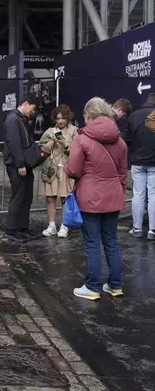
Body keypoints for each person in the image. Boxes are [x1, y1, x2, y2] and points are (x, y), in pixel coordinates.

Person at [65, 97, 127, 300]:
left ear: (89, 115)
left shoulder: (81, 140)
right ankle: (115, 285)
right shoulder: (120, 142)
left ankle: (92, 287)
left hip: (90, 198)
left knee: (92, 243)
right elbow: (122, 173)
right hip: (113, 197)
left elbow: (74, 170)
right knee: (111, 241)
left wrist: (66, 168)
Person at [39, 104, 77, 238]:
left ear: (68, 118)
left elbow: (78, 150)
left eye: (63, 118)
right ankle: (51, 225)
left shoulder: (73, 131)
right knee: (50, 198)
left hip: (66, 169)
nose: (60, 121)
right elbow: (43, 149)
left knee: (65, 199)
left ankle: (64, 226)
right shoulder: (50, 131)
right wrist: (51, 143)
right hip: (52, 169)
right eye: (58, 118)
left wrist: (65, 143)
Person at [3, 95, 39, 240]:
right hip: (17, 165)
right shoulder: (13, 120)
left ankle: (22, 227)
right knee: (19, 196)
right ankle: (12, 229)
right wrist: (20, 164)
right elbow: (14, 143)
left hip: (23, 163)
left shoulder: (19, 119)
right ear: (26, 104)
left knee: (26, 195)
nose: (33, 112)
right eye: (33, 108)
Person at [125, 93, 155, 239]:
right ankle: (152, 230)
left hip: (137, 162)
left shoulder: (134, 116)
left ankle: (137, 228)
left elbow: (126, 139)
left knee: (138, 195)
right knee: (153, 195)